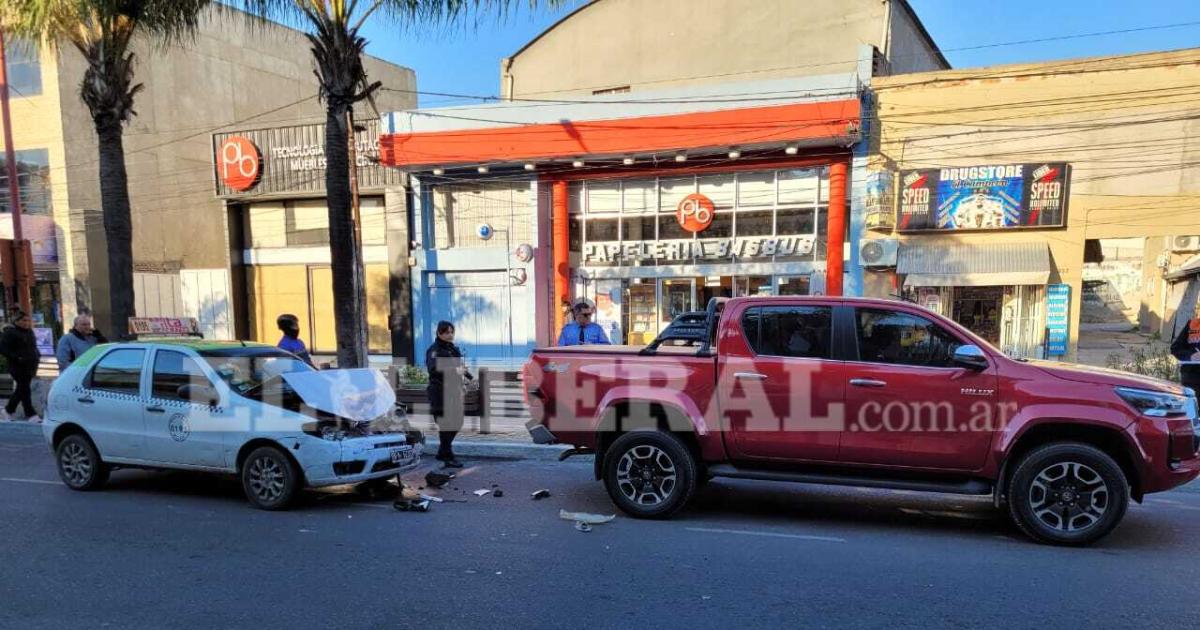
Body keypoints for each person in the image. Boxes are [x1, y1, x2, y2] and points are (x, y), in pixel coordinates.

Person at [425, 321, 472, 468]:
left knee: (458, 422)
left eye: (452, 332)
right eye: (446, 332)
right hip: (440, 392)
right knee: (446, 425)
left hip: (454, 392)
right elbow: (433, 369)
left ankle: (442, 451)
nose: (450, 335)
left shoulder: (453, 349)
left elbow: (459, 368)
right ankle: (448, 455)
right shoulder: (434, 350)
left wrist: (468, 376)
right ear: (439, 333)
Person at [0, 311, 40, 422]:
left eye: (28, 320)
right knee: (24, 388)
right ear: (16, 321)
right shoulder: (10, 333)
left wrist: (37, 355)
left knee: (23, 389)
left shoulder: (29, 332)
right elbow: (3, 349)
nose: (26, 323)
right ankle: (29, 413)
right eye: (23, 320)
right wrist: (17, 357)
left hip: (30, 365)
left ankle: (10, 410)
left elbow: (33, 347)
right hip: (17, 366)